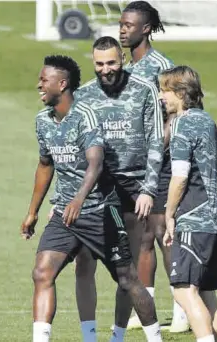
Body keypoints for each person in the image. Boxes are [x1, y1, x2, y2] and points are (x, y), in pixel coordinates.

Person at [20, 54, 163, 342]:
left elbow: (95, 163)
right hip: (64, 216)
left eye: (43, 80)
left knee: (127, 279)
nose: (38, 85)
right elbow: (46, 164)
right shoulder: (43, 121)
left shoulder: (85, 117)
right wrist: (33, 211)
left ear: (61, 84)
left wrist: (79, 200)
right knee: (42, 272)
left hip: (99, 211)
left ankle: (155, 337)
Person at [75, 36, 164, 342]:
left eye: (111, 62)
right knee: (84, 261)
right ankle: (89, 337)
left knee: (127, 271)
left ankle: (118, 336)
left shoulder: (144, 90)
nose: (106, 69)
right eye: (99, 64)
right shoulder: (83, 95)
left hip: (134, 188)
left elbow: (156, 141)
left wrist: (149, 190)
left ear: (122, 59)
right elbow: (75, 150)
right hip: (97, 189)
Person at [119, 0, 189, 332]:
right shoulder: (120, 65)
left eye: (129, 25)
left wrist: (157, 155)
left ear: (145, 28)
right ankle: (144, 308)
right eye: (120, 24)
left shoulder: (162, 66)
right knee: (140, 238)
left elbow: (175, 115)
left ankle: (182, 308)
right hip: (129, 169)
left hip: (158, 165)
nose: (122, 29)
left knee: (163, 234)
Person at [159, 65, 217, 342]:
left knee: (184, 290)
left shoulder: (183, 123)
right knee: (207, 294)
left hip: (193, 217)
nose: (161, 97)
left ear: (181, 93)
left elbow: (180, 177)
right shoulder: (209, 122)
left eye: (165, 90)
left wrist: (169, 214)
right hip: (214, 220)